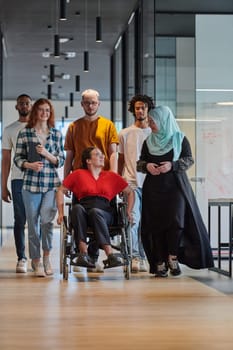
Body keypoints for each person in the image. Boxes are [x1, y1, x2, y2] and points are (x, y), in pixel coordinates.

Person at [137, 105, 214, 277]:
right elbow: (140, 163)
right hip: (154, 189)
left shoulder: (180, 139)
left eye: (153, 121)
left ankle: (172, 257)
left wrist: (172, 165)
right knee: (156, 225)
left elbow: (188, 160)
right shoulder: (148, 142)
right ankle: (159, 262)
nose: (150, 124)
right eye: (149, 121)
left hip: (176, 187)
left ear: (164, 120)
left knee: (177, 222)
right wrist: (147, 166)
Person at [64, 89, 119, 272]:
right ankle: (84, 254)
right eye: (87, 102)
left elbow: (113, 154)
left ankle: (93, 254)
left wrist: (114, 176)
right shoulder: (74, 127)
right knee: (80, 213)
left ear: (99, 103)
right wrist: (66, 181)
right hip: (80, 179)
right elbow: (69, 156)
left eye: (93, 102)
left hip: (103, 180)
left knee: (98, 213)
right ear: (82, 104)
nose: (90, 106)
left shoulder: (108, 125)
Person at [56, 147, 134, 269]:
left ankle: (110, 254)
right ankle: (83, 253)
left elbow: (130, 192)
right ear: (88, 161)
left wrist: (128, 211)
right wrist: (60, 213)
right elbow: (61, 190)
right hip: (83, 212)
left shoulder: (111, 176)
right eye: (97, 154)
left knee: (95, 212)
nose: (102, 156)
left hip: (106, 214)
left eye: (102, 154)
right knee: (77, 209)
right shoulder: (78, 174)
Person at [14, 98, 65, 277]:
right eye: (41, 110)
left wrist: (46, 154)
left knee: (46, 222)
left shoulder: (57, 134)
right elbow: (17, 158)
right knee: (33, 225)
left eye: (47, 111)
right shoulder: (25, 133)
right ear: (35, 112)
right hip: (30, 185)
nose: (44, 113)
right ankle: (35, 262)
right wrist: (29, 165)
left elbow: (61, 160)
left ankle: (46, 258)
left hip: (51, 185)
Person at [118, 94, 153, 273]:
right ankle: (135, 257)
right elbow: (121, 159)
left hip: (151, 185)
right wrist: (118, 182)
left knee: (147, 223)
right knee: (133, 220)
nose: (140, 110)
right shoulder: (124, 133)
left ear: (148, 109)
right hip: (130, 183)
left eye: (144, 107)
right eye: (137, 107)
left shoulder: (154, 133)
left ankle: (144, 255)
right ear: (133, 110)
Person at [1, 94, 33, 273]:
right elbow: (5, 159)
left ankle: (37, 257)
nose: (24, 105)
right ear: (16, 107)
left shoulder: (38, 127)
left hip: (37, 179)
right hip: (18, 179)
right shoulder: (9, 130)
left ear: (31, 106)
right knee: (20, 219)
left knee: (36, 220)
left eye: (27, 103)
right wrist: (3, 186)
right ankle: (22, 258)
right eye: (21, 103)